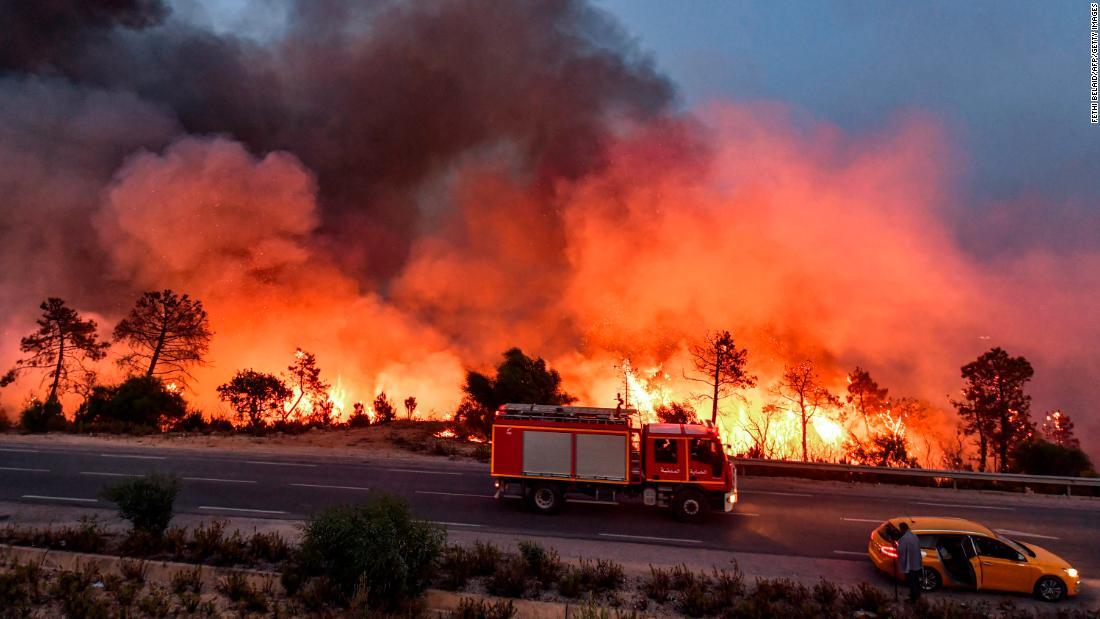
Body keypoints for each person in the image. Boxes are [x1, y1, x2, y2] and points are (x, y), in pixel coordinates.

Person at [896, 522, 923, 602]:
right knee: (916, 581)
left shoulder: (904, 538)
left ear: (902, 529)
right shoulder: (914, 535)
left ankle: (913, 598)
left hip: (910, 565)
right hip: (917, 563)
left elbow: (900, 550)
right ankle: (917, 594)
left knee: (911, 582)